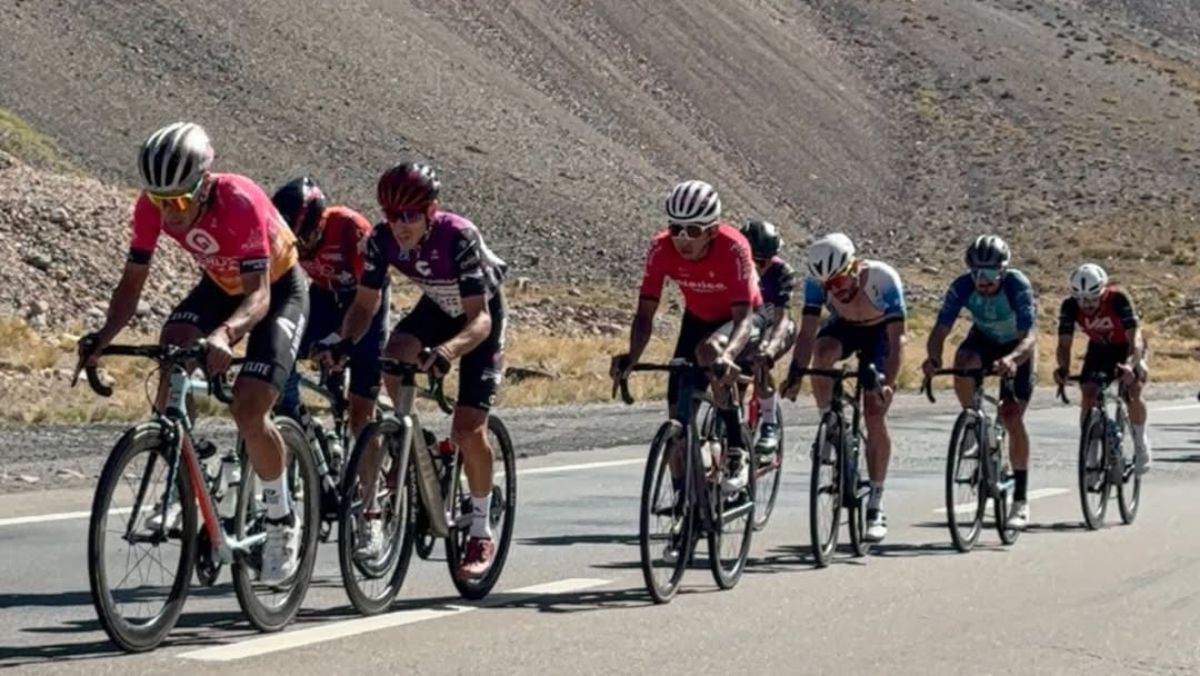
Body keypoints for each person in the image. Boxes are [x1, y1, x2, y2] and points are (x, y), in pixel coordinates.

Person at [79, 122, 308, 585]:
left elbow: (259, 296)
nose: (170, 214)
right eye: (160, 202)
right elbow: (132, 282)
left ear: (204, 185)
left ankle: (282, 518)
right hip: (221, 285)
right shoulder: (152, 207)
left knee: (249, 409)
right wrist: (104, 335)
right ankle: (180, 452)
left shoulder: (239, 200)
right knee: (173, 343)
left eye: (179, 202)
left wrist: (226, 335)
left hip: (278, 290)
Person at [332, 161, 507, 580]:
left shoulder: (458, 236)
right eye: (392, 216)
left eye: (410, 215)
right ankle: (420, 443)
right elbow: (364, 305)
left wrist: (447, 351)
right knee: (394, 352)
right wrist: (342, 342)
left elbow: (479, 320)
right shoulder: (380, 240)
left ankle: (481, 528)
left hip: (478, 314)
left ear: (432, 210)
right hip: (438, 306)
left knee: (467, 429)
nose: (400, 225)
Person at [611, 179, 762, 561]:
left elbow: (745, 317)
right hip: (696, 319)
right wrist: (631, 355)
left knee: (710, 350)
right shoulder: (660, 247)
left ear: (711, 229)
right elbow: (645, 312)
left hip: (740, 320)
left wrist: (728, 354)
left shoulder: (734, 247)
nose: (682, 238)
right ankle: (686, 509)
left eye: (692, 230)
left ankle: (736, 447)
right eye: (675, 227)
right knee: (679, 423)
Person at [782, 232, 906, 543]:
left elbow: (897, 340)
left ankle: (875, 504)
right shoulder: (817, 281)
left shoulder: (883, 279)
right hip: (846, 328)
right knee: (822, 354)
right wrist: (796, 373)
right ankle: (829, 423)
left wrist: (887, 385)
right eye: (827, 287)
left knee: (875, 412)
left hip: (879, 335)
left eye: (837, 283)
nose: (833, 290)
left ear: (855, 268)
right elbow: (808, 332)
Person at [923, 235, 1038, 529]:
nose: (983, 282)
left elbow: (1030, 336)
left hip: (1017, 347)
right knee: (963, 363)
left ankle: (1021, 501)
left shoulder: (1017, 285)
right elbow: (940, 331)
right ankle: (974, 423)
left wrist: (1013, 358)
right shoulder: (961, 287)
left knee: (1012, 415)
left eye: (990, 275)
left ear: (1003, 272)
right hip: (985, 340)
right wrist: (934, 359)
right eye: (977, 274)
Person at [272, 176, 387, 452]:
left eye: (308, 238)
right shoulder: (284, 237)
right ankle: (300, 424)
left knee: (361, 418)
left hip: (364, 297)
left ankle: (368, 492)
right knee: (282, 347)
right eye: (294, 242)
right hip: (325, 294)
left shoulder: (351, 227)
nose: (302, 249)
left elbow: (366, 302)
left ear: (321, 222)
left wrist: (340, 342)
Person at [1054, 263, 1151, 475]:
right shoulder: (1069, 306)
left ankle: (1140, 441)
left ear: (1103, 291)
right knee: (1088, 392)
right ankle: (1090, 453)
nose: (1086, 305)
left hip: (1128, 348)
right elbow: (1064, 344)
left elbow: (1134, 338)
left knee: (1133, 390)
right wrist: (1062, 369)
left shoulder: (1118, 299)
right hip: (1100, 348)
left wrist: (1130, 365)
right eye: (1080, 299)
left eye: (1091, 298)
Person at [739, 220, 797, 457]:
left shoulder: (782, 272)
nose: (756, 267)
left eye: (763, 262)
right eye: (751, 260)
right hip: (748, 325)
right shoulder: (735, 268)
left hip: (776, 326)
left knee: (760, 358)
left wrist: (771, 349)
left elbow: (782, 319)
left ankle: (770, 423)